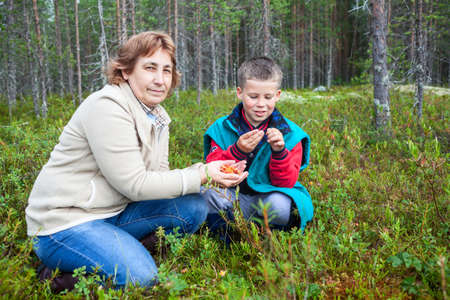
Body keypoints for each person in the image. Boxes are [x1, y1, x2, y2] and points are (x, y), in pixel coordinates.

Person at [25, 31, 247, 291]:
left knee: (194, 208)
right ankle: (56, 277)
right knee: (141, 277)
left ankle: (113, 254)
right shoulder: (107, 106)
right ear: (126, 71)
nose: (160, 80)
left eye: (166, 70)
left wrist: (206, 172)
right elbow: (135, 185)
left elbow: (158, 179)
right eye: (150, 68)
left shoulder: (157, 116)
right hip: (64, 224)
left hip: (112, 213)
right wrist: (202, 174)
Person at [202, 56, 313, 234]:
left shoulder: (291, 134)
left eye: (268, 97)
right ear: (240, 93)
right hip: (232, 198)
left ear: (277, 95)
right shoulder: (221, 128)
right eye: (253, 96)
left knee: (281, 204)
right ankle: (230, 234)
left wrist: (279, 152)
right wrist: (237, 151)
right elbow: (211, 170)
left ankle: (259, 233)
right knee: (205, 195)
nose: (260, 104)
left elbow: (286, 182)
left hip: (269, 199)